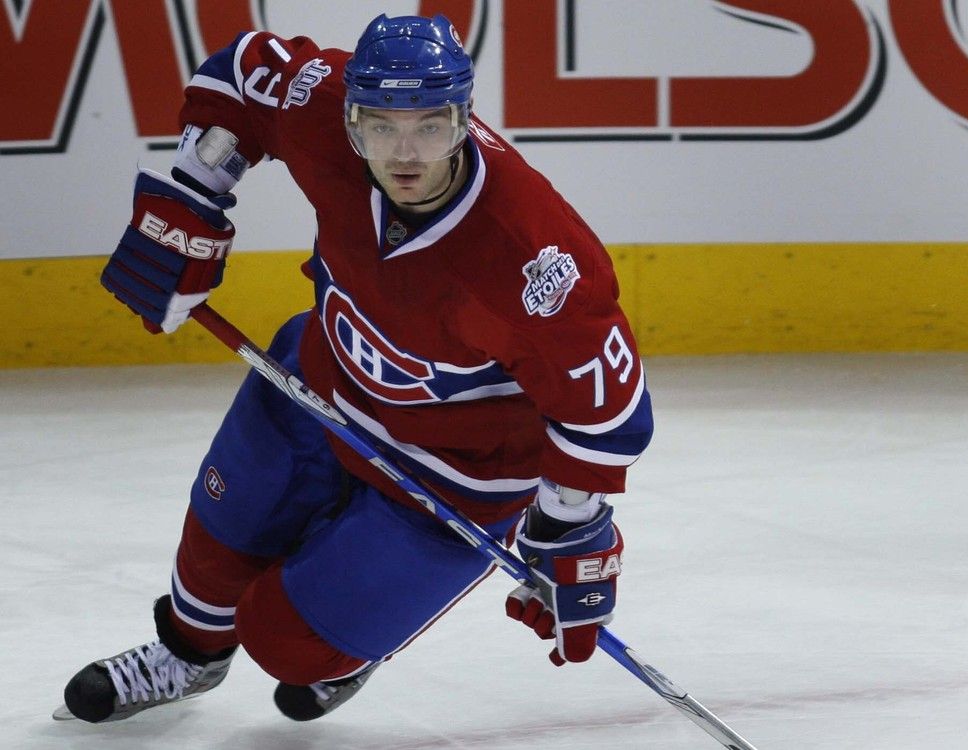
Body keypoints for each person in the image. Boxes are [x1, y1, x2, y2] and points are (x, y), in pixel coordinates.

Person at [57, 13, 653, 723]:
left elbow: (608, 413)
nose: (405, 154)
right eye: (379, 127)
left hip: (457, 475)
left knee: (291, 648)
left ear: (464, 118)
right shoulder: (320, 104)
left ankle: (347, 646)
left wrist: (568, 525)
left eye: (431, 127)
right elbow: (241, 76)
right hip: (317, 385)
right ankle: (188, 657)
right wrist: (194, 191)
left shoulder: (533, 258)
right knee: (217, 545)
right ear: (350, 116)